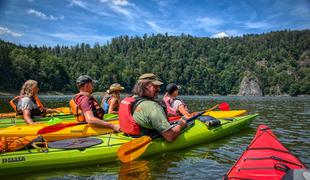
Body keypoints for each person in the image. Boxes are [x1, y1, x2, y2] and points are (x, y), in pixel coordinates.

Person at [118, 73, 187, 142]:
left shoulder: (132, 99)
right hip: (148, 141)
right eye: (155, 86)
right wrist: (180, 125)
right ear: (144, 86)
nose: (159, 89)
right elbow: (170, 136)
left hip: (130, 136)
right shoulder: (153, 107)